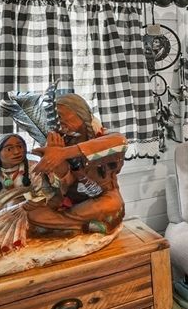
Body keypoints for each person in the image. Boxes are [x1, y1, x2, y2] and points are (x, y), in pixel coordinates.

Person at [25, 94, 127, 237]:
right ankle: (82, 225)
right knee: (33, 214)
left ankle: (66, 226)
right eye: (55, 118)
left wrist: (63, 153)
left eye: (61, 116)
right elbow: (66, 184)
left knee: (111, 205)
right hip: (72, 203)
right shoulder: (63, 140)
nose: (58, 123)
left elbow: (120, 142)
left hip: (103, 199)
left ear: (82, 115)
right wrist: (57, 159)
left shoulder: (102, 136)